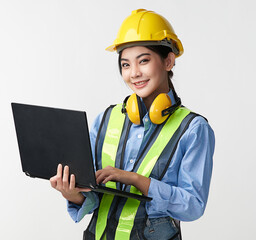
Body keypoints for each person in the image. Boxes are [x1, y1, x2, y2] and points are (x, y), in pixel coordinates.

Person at [50, 9, 215, 240]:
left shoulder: (193, 129)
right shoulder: (106, 119)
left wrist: (135, 179)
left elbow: (193, 205)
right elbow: (92, 195)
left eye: (144, 61)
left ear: (168, 61)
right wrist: (72, 194)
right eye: (125, 65)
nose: (134, 73)